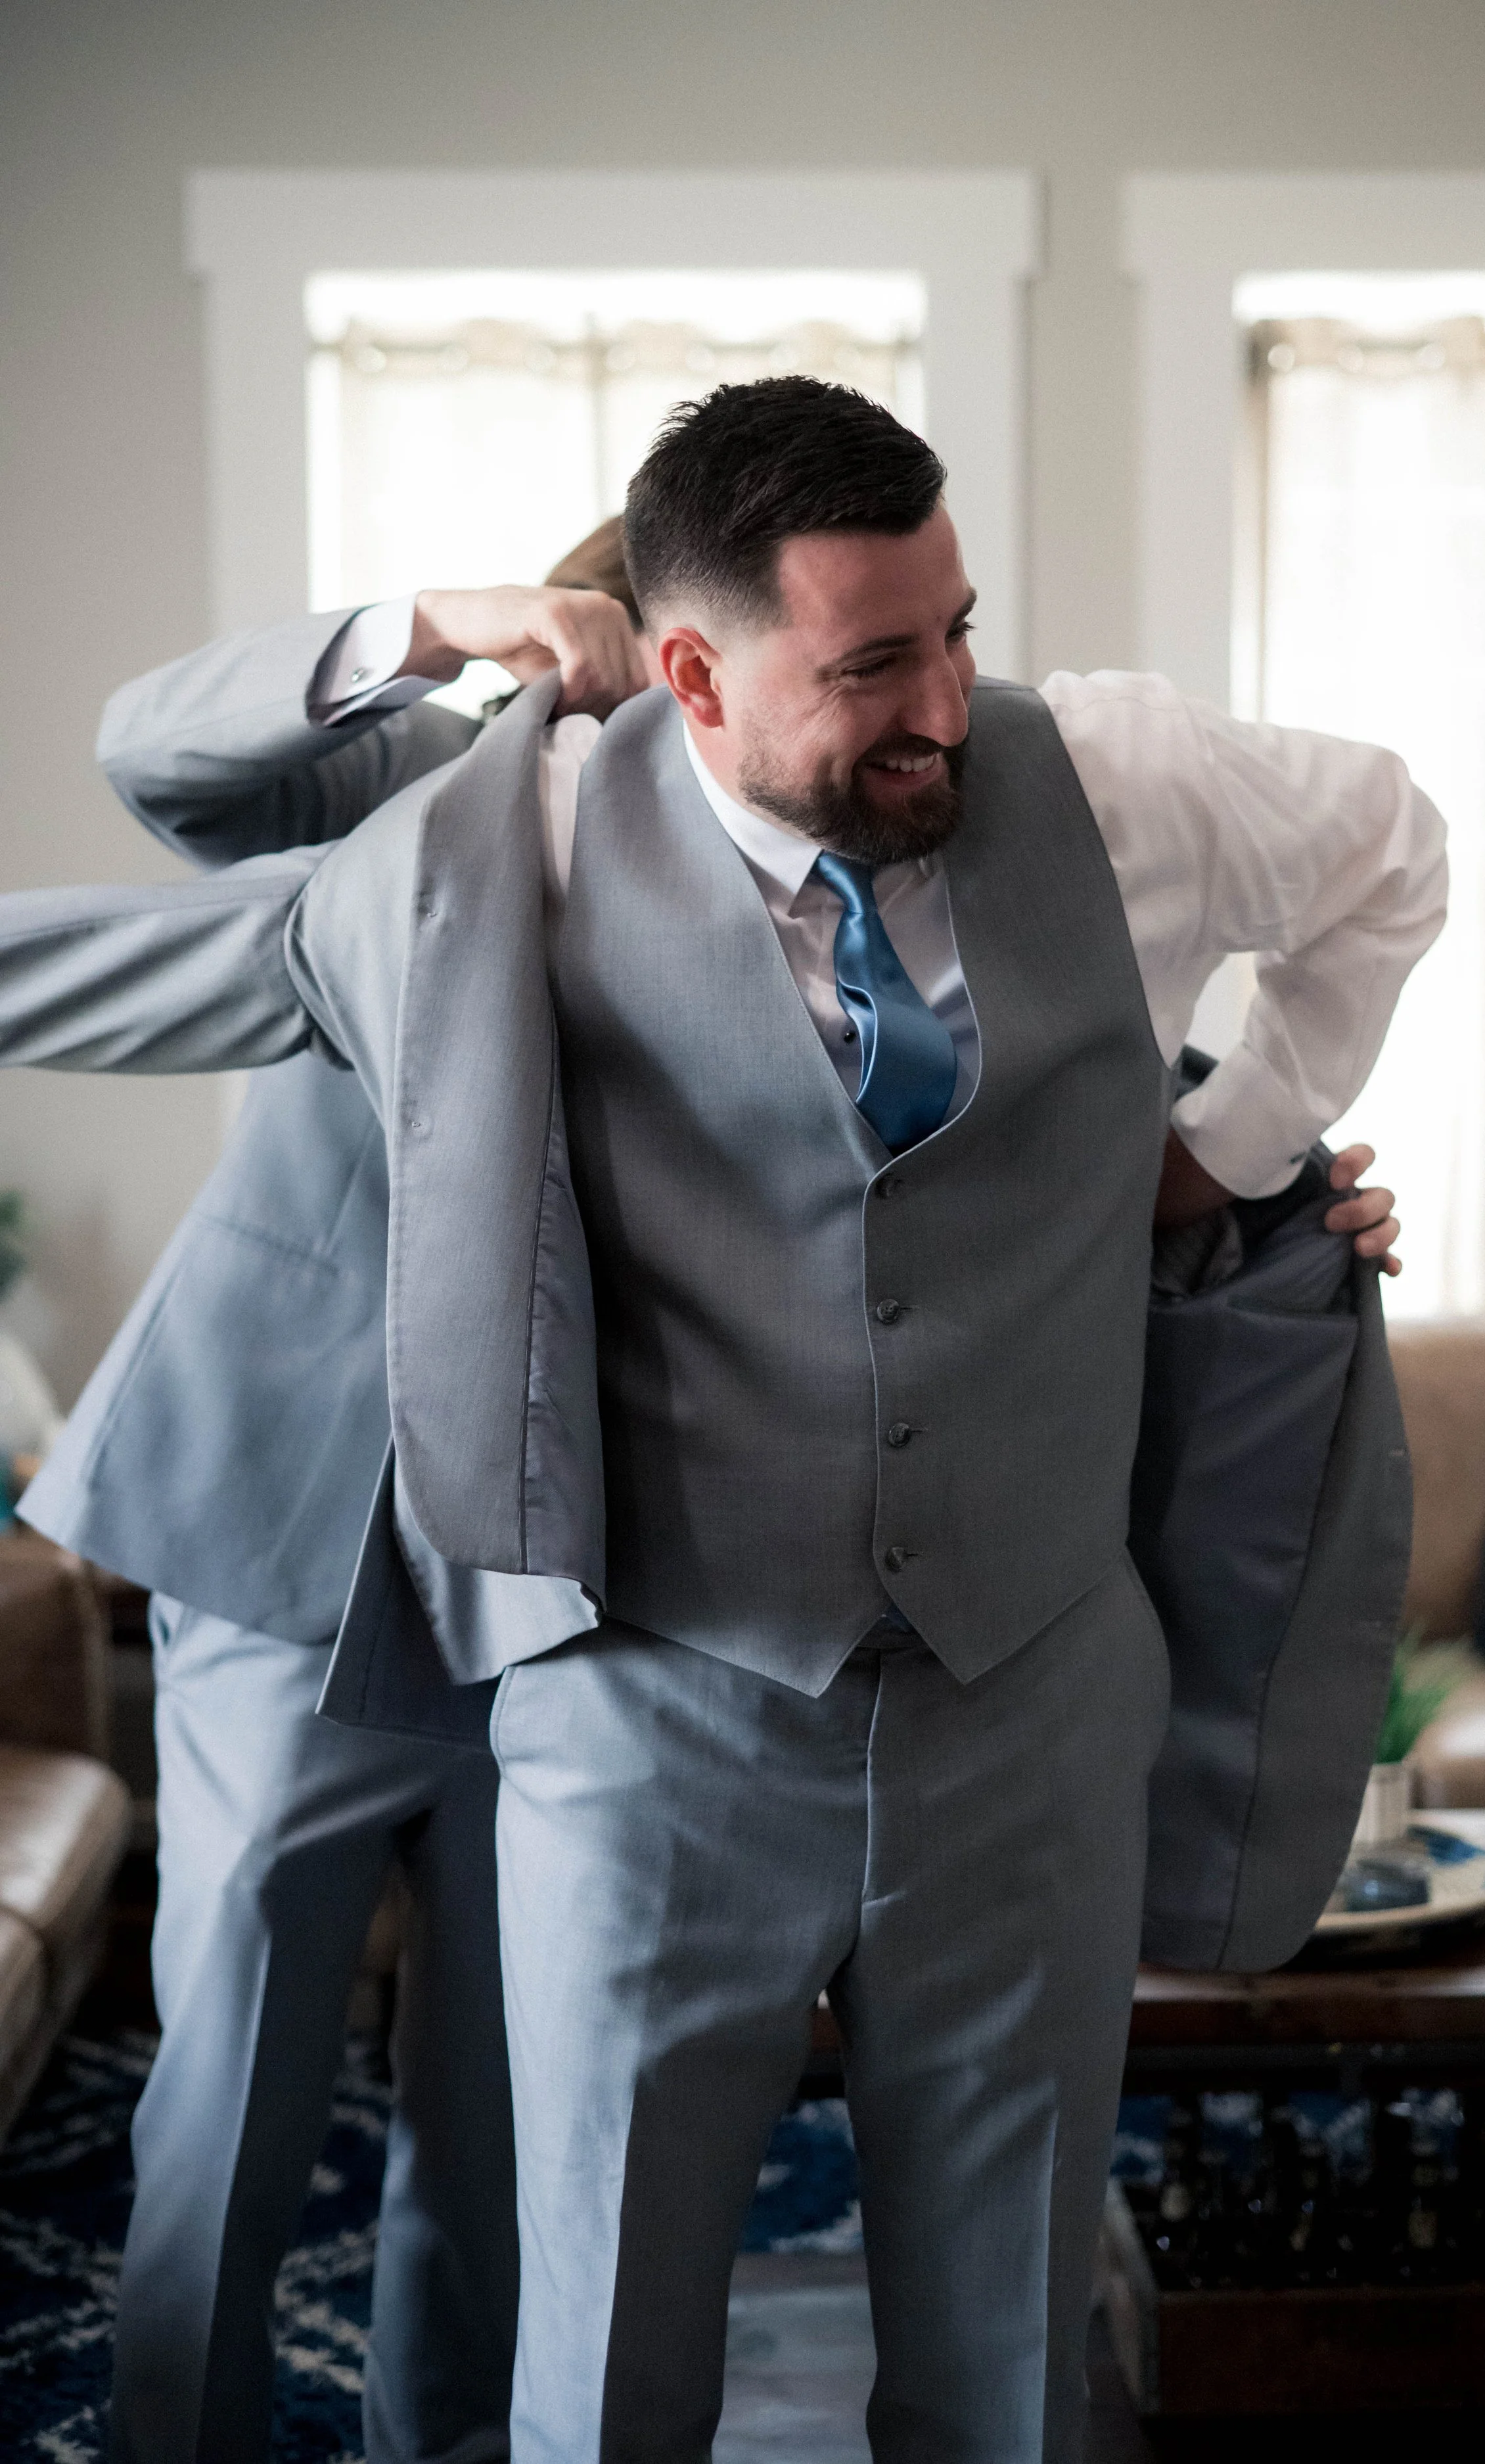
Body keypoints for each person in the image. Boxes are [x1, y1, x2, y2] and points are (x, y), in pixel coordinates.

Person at [0, 379, 1440, 2461]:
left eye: (954, 630)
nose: (944, 695)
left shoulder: (1085, 782)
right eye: (873, 663)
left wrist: (1236, 1144)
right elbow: (154, 869)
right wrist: (441, 627)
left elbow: (1345, 875)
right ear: (677, 674)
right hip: (432, 1573)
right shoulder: (484, 826)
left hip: (965, 1674)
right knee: (277, 2077)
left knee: (575, 2178)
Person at [16, 528, 646, 2464]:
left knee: (505, 2083)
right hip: (286, 1534)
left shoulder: (793, 886)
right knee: (233, 2056)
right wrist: (442, 624)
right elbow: (158, 753)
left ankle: (441, 2442)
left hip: (559, 1586)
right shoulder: (418, 797)